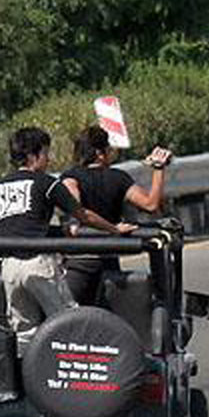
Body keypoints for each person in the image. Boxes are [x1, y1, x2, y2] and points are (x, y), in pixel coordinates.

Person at [0, 127, 135, 347]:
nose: (49, 159)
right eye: (45, 153)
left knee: (24, 331)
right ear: (33, 156)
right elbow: (83, 214)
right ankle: (73, 374)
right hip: (38, 262)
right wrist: (114, 229)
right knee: (68, 322)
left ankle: (27, 376)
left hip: (9, 266)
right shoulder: (46, 183)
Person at [61, 126, 173, 304]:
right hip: (109, 259)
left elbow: (75, 208)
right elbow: (151, 205)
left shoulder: (70, 177)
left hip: (78, 262)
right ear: (99, 153)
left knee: (69, 320)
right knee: (112, 323)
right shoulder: (118, 178)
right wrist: (158, 169)